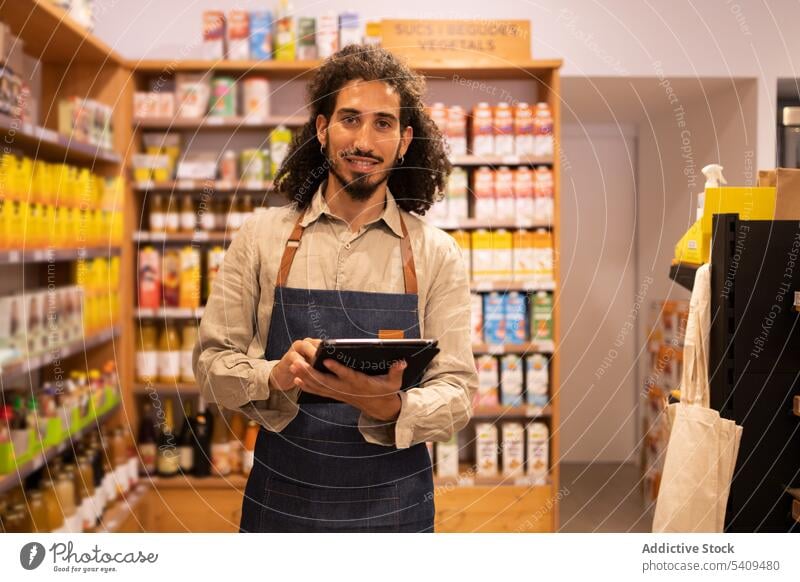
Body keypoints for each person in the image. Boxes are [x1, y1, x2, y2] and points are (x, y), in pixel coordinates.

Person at [193, 44, 477, 533]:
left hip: (396, 505)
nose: (364, 140)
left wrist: (390, 407)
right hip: (282, 501)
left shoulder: (436, 253)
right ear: (322, 130)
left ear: (405, 140)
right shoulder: (261, 238)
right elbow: (211, 366)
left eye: (383, 123)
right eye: (349, 119)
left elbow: (458, 393)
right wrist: (275, 377)